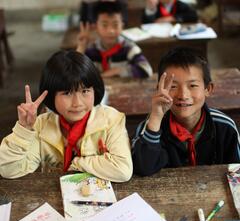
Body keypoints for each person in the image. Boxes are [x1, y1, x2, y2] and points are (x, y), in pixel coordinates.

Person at [0, 50, 133, 182]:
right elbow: (8, 170)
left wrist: (77, 163)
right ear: (52, 95)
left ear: (95, 90)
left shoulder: (111, 120)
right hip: (54, 195)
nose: (77, 103)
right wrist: (23, 130)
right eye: (67, 93)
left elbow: (122, 170)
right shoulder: (41, 125)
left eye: (85, 91)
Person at [132, 47, 240, 176]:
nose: (183, 95)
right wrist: (155, 119)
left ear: (208, 89)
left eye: (192, 85)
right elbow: (142, 169)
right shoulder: (150, 128)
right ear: (160, 90)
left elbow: (236, 172)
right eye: (173, 86)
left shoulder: (225, 126)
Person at [77, 1, 153, 79]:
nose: (111, 31)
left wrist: (118, 71)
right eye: (104, 25)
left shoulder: (128, 47)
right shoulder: (91, 50)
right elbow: (75, 72)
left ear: (122, 26)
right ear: (96, 27)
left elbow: (147, 70)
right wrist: (81, 46)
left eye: (115, 25)